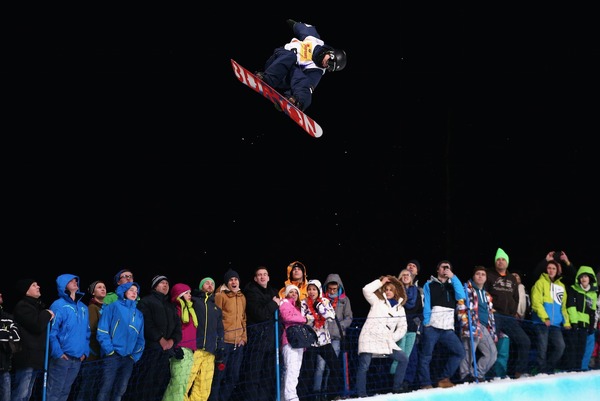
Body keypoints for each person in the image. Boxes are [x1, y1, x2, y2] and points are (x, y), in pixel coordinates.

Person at [255, 19, 347, 112]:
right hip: (276, 63)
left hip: (284, 77)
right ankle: (267, 79)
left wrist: (293, 99)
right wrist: (293, 23)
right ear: (330, 53)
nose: (326, 65)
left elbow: (305, 87)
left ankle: (296, 102)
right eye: (330, 62)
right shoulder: (314, 40)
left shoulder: (316, 71)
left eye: (330, 67)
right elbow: (302, 28)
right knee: (290, 56)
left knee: (301, 78)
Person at [356, 275, 409, 397]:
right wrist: (381, 282)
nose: (388, 292)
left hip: (386, 340)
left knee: (403, 359)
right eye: (386, 289)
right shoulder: (377, 301)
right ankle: (361, 395)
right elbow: (366, 290)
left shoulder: (400, 308)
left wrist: (392, 338)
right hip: (370, 336)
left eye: (391, 289)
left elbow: (403, 327)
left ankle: (397, 388)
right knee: (364, 366)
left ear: (395, 291)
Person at [417, 260, 466, 389]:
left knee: (460, 352)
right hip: (432, 326)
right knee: (426, 356)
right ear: (438, 270)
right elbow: (427, 303)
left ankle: (444, 379)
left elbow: (461, 295)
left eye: (448, 268)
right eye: (443, 267)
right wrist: (426, 323)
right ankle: (425, 384)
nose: (445, 269)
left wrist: (453, 277)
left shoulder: (452, 285)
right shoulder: (429, 284)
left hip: (447, 328)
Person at [132, 275, 181, 401]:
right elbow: (146, 323)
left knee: (160, 384)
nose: (165, 285)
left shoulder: (171, 306)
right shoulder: (146, 301)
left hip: (166, 352)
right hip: (150, 350)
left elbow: (177, 327)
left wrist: (172, 340)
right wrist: (160, 339)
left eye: (167, 283)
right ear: (155, 286)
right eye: (162, 283)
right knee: (145, 384)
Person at [485, 247, 531, 378]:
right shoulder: (489, 274)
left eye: (503, 259)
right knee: (491, 344)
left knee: (525, 341)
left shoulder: (512, 278)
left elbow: (516, 297)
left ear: (507, 262)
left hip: (509, 317)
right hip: (495, 315)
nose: (500, 261)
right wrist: (489, 308)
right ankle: (489, 375)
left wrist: (513, 311)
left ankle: (518, 372)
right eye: (498, 259)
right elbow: (485, 292)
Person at [96, 281, 145, 401]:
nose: (134, 293)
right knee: (105, 388)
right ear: (124, 291)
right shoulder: (113, 306)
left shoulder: (138, 314)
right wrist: (110, 351)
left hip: (128, 358)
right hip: (113, 355)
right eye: (131, 290)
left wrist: (134, 356)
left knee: (120, 390)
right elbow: (102, 330)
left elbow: (141, 339)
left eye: (136, 291)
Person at [46, 274, 91, 401]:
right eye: (70, 281)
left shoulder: (83, 308)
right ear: (63, 285)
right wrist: (58, 352)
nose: (75, 282)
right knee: (54, 392)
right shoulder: (58, 305)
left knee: (66, 391)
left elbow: (87, 332)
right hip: (62, 357)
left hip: (77, 358)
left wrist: (85, 352)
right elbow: (52, 331)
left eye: (76, 280)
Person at [11, 279, 55, 401]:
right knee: (21, 393)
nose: (38, 286)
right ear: (26, 290)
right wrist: (46, 313)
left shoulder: (36, 307)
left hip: (35, 358)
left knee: (28, 393)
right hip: (27, 357)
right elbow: (36, 325)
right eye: (34, 285)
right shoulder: (23, 306)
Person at [298, 279, 341, 401]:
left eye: (314, 289)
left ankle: (332, 395)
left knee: (335, 367)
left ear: (319, 290)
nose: (311, 292)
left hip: (324, 341)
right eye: (309, 289)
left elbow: (331, 316)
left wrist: (319, 305)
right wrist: (313, 317)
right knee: (308, 371)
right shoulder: (303, 303)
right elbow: (303, 319)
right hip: (310, 341)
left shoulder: (325, 301)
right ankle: (304, 398)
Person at [243, 266, 280, 401]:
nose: (262, 277)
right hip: (257, 340)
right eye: (259, 275)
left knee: (268, 374)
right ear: (255, 278)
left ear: (268, 277)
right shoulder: (251, 292)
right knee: (253, 374)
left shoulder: (273, 291)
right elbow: (260, 314)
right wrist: (274, 303)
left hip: (271, 340)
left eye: (265, 274)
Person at [209, 269, 246, 401]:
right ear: (226, 282)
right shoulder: (220, 295)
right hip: (224, 343)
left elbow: (243, 319)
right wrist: (218, 339)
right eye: (231, 280)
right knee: (219, 375)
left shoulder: (242, 296)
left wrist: (243, 337)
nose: (234, 281)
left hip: (238, 344)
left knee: (233, 376)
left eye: (236, 279)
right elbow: (216, 318)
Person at [457, 266, 498, 382]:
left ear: (486, 278)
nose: (480, 276)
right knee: (469, 352)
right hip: (472, 324)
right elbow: (461, 306)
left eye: (483, 274)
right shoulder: (467, 290)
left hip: (484, 327)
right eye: (477, 274)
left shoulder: (486, 295)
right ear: (473, 276)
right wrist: (465, 323)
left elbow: (490, 312)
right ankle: (465, 376)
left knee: (492, 353)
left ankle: (478, 374)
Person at [314, 274, 353, 398]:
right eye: (329, 288)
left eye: (334, 289)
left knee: (332, 366)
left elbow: (349, 317)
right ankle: (317, 393)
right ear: (326, 287)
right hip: (322, 338)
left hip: (336, 338)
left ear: (339, 287)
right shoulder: (321, 300)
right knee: (320, 366)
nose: (332, 291)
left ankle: (329, 392)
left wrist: (340, 326)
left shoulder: (344, 300)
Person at [531, 260, 571, 374]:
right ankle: (541, 371)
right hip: (541, 322)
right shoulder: (540, 283)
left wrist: (566, 322)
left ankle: (548, 369)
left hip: (556, 324)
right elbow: (536, 302)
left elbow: (563, 307)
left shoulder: (561, 286)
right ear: (546, 269)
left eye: (554, 268)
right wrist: (545, 318)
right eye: (549, 268)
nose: (551, 270)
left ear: (557, 270)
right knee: (542, 349)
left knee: (560, 347)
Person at [189, 277, 224, 401]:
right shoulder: (193, 301)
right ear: (201, 286)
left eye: (212, 283)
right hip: (195, 349)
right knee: (186, 382)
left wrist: (220, 347)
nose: (210, 285)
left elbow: (220, 330)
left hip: (210, 352)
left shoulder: (216, 309)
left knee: (203, 387)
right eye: (207, 283)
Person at [162, 283, 198, 401]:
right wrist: (175, 347)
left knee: (183, 383)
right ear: (180, 295)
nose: (189, 295)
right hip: (180, 349)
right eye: (187, 293)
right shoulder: (175, 309)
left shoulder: (189, 309)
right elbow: (172, 329)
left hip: (190, 349)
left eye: (190, 293)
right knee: (178, 383)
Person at [73, 280, 107, 401]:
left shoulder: (105, 308)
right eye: (99, 287)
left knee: (94, 387)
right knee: (87, 386)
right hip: (93, 355)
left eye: (104, 287)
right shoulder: (92, 308)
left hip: (101, 354)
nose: (103, 289)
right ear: (93, 292)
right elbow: (92, 330)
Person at [390, 268, 422, 386]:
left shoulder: (416, 292)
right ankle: (395, 380)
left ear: (411, 277)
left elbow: (420, 310)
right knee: (400, 354)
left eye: (408, 274)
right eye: (403, 274)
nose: (405, 276)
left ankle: (406, 382)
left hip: (412, 327)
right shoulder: (396, 291)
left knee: (410, 356)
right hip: (399, 327)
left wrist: (417, 321)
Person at [564, 266, 597, 371]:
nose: (584, 279)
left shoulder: (593, 294)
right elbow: (571, 306)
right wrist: (574, 322)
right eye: (581, 276)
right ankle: (570, 369)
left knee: (581, 349)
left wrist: (591, 325)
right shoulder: (574, 289)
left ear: (590, 278)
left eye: (586, 276)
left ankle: (578, 369)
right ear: (578, 278)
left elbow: (592, 311)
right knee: (572, 348)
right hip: (575, 323)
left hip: (585, 325)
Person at [279, 284, 308, 401]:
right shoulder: (284, 303)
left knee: (295, 370)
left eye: (296, 292)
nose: (294, 294)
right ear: (287, 293)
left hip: (298, 342)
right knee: (291, 369)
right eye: (291, 292)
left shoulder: (296, 306)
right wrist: (304, 319)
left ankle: (284, 396)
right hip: (289, 341)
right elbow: (287, 317)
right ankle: (291, 397)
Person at [0, 290, 21, 401]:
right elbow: (8, 335)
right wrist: (5, 334)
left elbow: (16, 337)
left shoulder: (8, 317)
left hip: (4, 367)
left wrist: (5, 335)